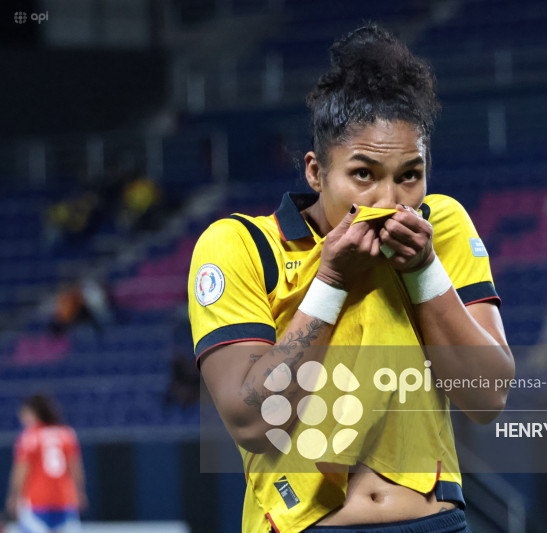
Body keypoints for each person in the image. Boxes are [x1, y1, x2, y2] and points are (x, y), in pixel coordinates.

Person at [188, 25, 514, 533]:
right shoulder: (241, 246)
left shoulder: (441, 227)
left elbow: (487, 396)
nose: (389, 201)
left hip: (432, 524)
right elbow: (251, 422)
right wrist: (332, 281)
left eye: (410, 174)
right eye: (363, 174)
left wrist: (425, 272)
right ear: (316, 172)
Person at [5, 394, 87, 533]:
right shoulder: (67, 434)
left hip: (37, 501)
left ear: (34, 413)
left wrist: (14, 495)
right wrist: (80, 492)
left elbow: (21, 470)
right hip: (65, 499)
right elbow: (76, 468)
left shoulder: (29, 436)